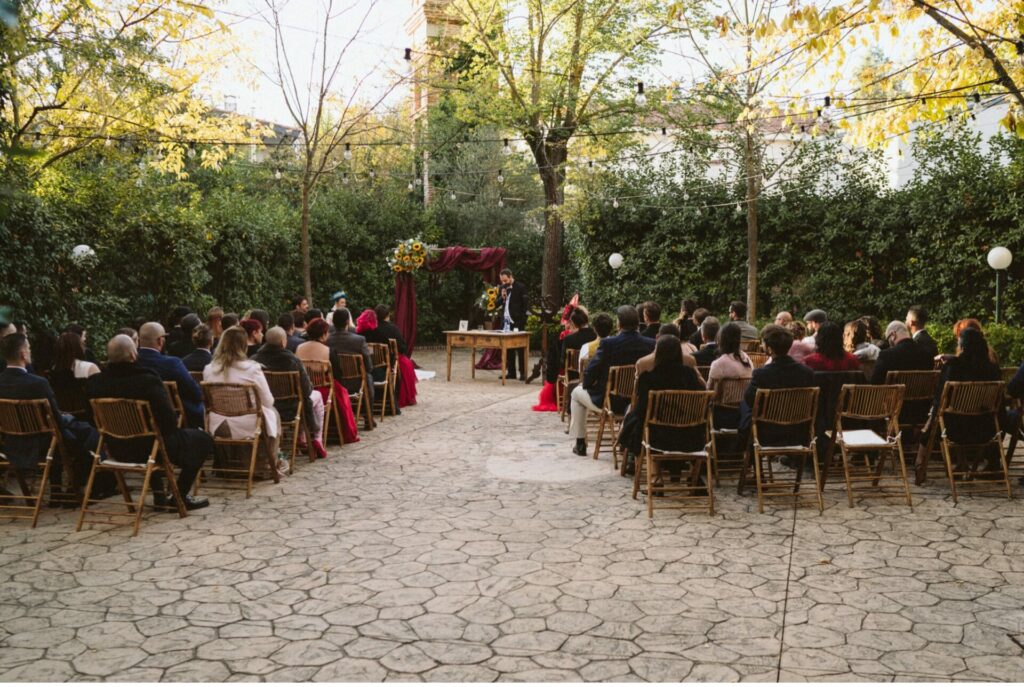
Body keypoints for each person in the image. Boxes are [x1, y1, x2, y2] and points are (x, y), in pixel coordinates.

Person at [86, 335, 212, 510]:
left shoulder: (95, 383)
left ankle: (160, 496)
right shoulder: (147, 380)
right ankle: (179, 495)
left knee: (154, 438)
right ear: (133, 354)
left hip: (116, 449)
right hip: (153, 449)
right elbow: (168, 420)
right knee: (202, 439)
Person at [0, 333, 100, 502]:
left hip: (10, 444)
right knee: (88, 435)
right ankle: (75, 487)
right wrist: (68, 421)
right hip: (43, 444)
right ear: (23, 354)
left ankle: (57, 491)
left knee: (74, 433)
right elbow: (56, 420)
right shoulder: (38, 383)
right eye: (29, 349)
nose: (30, 352)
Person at [568, 305, 654, 456]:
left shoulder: (608, 344)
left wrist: (587, 384)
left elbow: (592, 371)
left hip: (611, 401)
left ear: (618, 324)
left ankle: (580, 443)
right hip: (638, 401)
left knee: (576, 393)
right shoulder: (650, 344)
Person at [618, 335, 706, 474]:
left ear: (657, 353)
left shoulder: (648, 378)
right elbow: (702, 398)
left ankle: (654, 476)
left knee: (636, 420)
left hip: (658, 436)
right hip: (690, 435)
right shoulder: (689, 375)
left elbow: (642, 410)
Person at [203, 326, 282, 476]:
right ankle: (267, 464)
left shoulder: (208, 369)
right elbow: (268, 401)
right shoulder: (252, 369)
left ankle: (231, 467)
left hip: (217, 424)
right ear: (244, 345)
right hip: (248, 424)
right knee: (273, 413)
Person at [253, 326, 327, 459]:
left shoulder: (254, 359)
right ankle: (317, 438)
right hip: (290, 406)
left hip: (266, 406)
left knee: (306, 398)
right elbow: (306, 389)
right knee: (317, 395)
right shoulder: (292, 359)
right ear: (283, 342)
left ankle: (302, 437)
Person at [739, 325, 815, 445]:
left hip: (767, 433)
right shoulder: (807, 373)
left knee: (744, 403)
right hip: (798, 431)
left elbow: (750, 400)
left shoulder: (761, 374)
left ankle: (743, 442)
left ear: (769, 349)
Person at [296, 318, 359, 444]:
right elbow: (337, 375)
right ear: (324, 334)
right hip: (322, 388)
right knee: (341, 391)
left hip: (302, 388)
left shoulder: (299, 348)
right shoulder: (328, 351)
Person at [136, 322, 205, 429]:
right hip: (173, 421)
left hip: (140, 420)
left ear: (139, 341)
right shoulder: (172, 364)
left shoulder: (131, 363)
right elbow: (194, 393)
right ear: (160, 340)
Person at [327, 309, 374, 419]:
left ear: (333, 322)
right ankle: (368, 417)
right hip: (356, 382)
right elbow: (368, 365)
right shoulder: (359, 340)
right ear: (348, 321)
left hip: (334, 381)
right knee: (368, 377)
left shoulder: (327, 340)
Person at [368, 304, 416, 407]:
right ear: (387, 315)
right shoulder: (393, 329)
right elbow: (402, 347)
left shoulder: (371, 328)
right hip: (390, 361)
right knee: (407, 364)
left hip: (372, 361)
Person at [636, 323, 701, 378]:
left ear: (657, 337)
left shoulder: (642, 363)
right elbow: (701, 388)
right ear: (678, 339)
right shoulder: (690, 361)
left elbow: (637, 391)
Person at [497, 268, 528, 381]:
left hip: (517, 322)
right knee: (508, 348)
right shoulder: (502, 288)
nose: (504, 283)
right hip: (505, 322)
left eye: (505, 280)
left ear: (510, 277)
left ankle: (523, 373)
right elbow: (496, 304)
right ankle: (511, 372)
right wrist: (502, 297)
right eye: (502, 281)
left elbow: (525, 306)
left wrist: (522, 322)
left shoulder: (521, 287)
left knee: (520, 349)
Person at [706, 322, 752, 390]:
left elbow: (709, 390)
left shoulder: (718, 364)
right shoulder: (747, 358)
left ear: (721, 339)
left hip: (723, 400)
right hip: (744, 399)